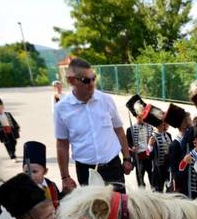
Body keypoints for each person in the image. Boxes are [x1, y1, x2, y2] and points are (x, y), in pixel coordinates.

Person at [54, 58, 133, 194]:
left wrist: (126, 158)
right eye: (86, 80)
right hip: (86, 171)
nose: (92, 84)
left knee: (119, 209)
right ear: (72, 80)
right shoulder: (61, 108)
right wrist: (65, 177)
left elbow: (119, 130)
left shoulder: (106, 100)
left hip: (113, 167)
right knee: (93, 213)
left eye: (93, 78)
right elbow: (62, 144)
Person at [20, 141, 64, 219]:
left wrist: (66, 193)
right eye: (26, 172)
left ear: (45, 171)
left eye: (34, 171)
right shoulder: (22, 188)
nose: (30, 176)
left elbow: (58, 200)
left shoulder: (51, 185)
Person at [126, 95, 154, 187]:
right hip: (139, 158)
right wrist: (131, 149)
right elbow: (127, 145)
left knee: (153, 178)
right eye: (140, 116)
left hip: (149, 157)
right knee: (140, 180)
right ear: (137, 116)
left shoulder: (150, 127)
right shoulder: (130, 130)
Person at [143, 104, 172, 192]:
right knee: (158, 190)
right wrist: (150, 146)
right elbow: (148, 154)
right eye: (162, 123)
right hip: (158, 168)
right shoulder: (152, 137)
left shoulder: (168, 135)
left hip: (168, 167)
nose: (164, 124)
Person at [164, 103, 192, 193]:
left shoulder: (190, 139)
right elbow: (175, 171)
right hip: (183, 186)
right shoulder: (175, 145)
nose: (191, 123)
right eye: (189, 120)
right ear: (183, 124)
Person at [0, 95, 21, 161]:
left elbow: (13, 121)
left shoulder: (8, 114)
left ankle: (13, 151)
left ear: (3, 107)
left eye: (0, 108)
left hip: (11, 130)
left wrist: (17, 126)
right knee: (7, 144)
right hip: (3, 132)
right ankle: (12, 156)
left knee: (14, 142)